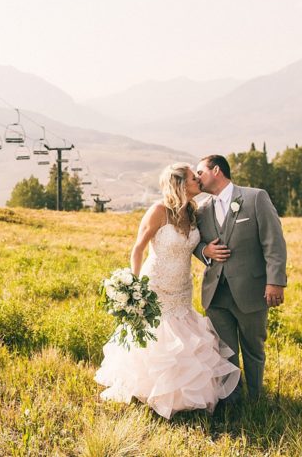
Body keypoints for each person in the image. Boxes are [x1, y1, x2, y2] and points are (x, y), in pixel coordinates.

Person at [95, 163, 240, 419]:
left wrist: (207, 250)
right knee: (159, 338)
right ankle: (152, 391)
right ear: (181, 184)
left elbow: (196, 246)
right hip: (157, 284)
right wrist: (134, 284)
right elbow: (138, 248)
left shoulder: (193, 213)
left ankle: (184, 394)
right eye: (194, 178)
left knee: (184, 337)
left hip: (183, 288)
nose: (199, 180)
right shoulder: (158, 211)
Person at [194, 155, 287, 403]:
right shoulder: (202, 210)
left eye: (200, 172)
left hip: (251, 290)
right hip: (216, 294)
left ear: (216, 170)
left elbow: (273, 241)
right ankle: (231, 400)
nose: (196, 178)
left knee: (253, 349)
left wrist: (275, 281)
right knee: (224, 351)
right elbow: (191, 242)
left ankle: (256, 398)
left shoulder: (255, 198)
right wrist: (205, 251)